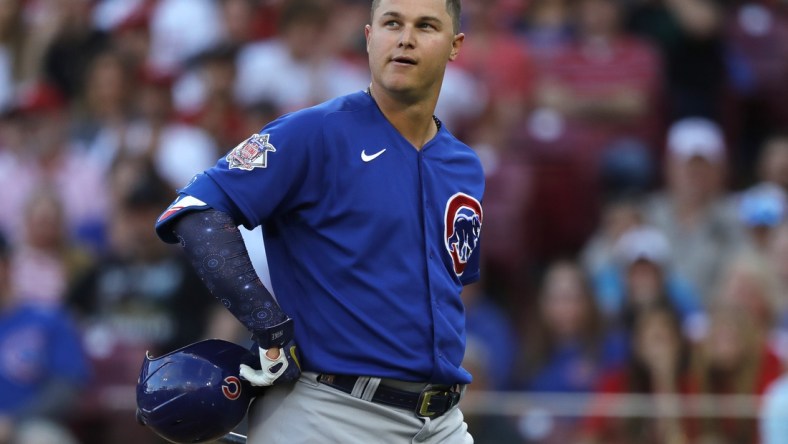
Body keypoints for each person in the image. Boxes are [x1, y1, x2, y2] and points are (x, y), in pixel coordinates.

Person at [153, 0, 483, 443]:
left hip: (440, 419)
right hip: (329, 411)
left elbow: (445, 292)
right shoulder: (314, 132)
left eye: (426, 26)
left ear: (455, 46)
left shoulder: (464, 166)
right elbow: (195, 212)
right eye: (392, 24)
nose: (405, 38)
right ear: (369, 38)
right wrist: (267, 322)